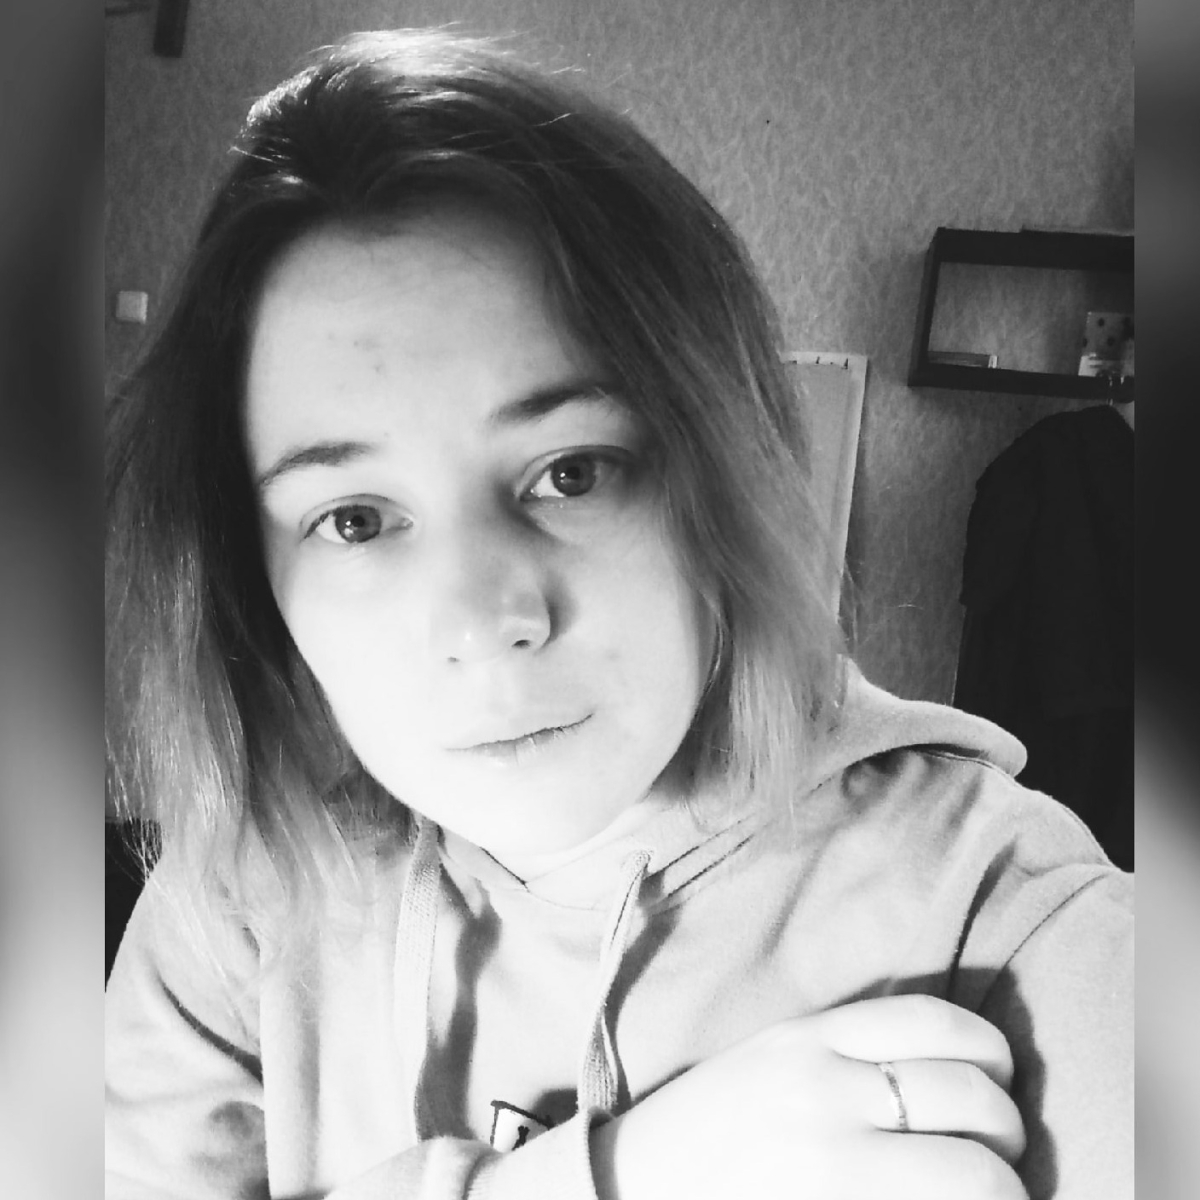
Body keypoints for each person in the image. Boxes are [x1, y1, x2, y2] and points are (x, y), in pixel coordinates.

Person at [104, 29, 1132, 1200]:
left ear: (724, 470)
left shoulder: (1009, 917)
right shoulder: (237, 904)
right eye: (354, 519)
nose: (486, 620)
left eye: (571, 472)